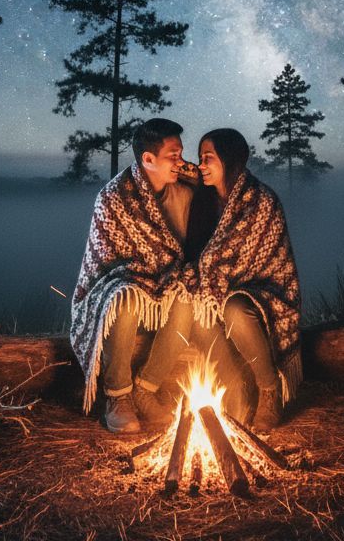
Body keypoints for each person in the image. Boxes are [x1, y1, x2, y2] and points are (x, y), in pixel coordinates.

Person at [70, 118, 200, 434]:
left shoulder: (184, 194)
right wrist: (143, 280)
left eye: (181, 154)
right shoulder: (113, 197)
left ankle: (146, 388)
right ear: (148, 160)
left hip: (164, 285)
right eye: (173, 155)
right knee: (125, 297)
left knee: (187, 300)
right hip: (119, 287)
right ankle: (118, 396)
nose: (181, 163)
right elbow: (105, 266)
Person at [189, 127, 302, 431]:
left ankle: (269, 390)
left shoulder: (260, 200)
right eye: (200, 158)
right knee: (195, 314)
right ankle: (237, 388)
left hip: (267, 290)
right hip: (222, 289)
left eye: (208, 158)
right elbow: (197, 255)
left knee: (234, 309)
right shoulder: (205, 201)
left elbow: (227, 260)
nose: (201, 165)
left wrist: (210, 277)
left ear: (229, 159)